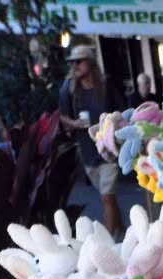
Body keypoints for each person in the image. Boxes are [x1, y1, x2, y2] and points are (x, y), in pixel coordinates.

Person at [58, 43, 121, 238]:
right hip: (87, 152)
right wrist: (75, 124)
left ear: (90, 63)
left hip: (109, 150)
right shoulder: (69, 88)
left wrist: (113, 126)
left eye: (79, 62)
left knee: (106, 197)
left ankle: (107, 242)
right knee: (107, 198)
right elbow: (62, 116)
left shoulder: (106, 86)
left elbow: (121, 111)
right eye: (72, 62)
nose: (74, 66)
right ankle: (123, 229)